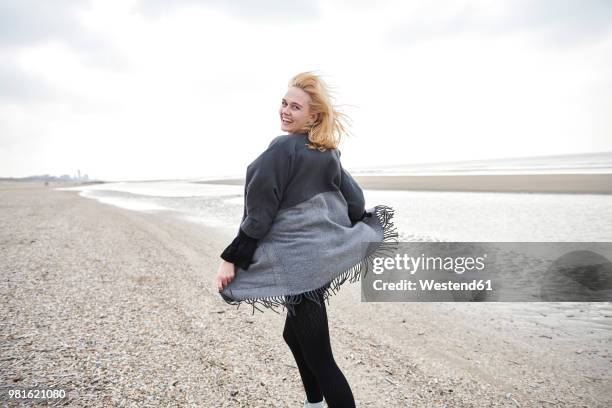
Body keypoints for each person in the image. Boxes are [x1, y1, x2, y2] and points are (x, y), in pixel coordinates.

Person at [215, 71, 398, 408]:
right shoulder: (328, 152)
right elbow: (355, 201)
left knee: (322, 359)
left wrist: (232, 257)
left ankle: (319, 402)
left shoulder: (281, 148)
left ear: (313, 115)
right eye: (284, 103)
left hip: (299, 264)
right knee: (293, 334)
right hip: (318, 257)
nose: (285, 110)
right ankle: (313, 404)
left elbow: (259, 214)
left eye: (295, 107)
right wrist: (345, 231)